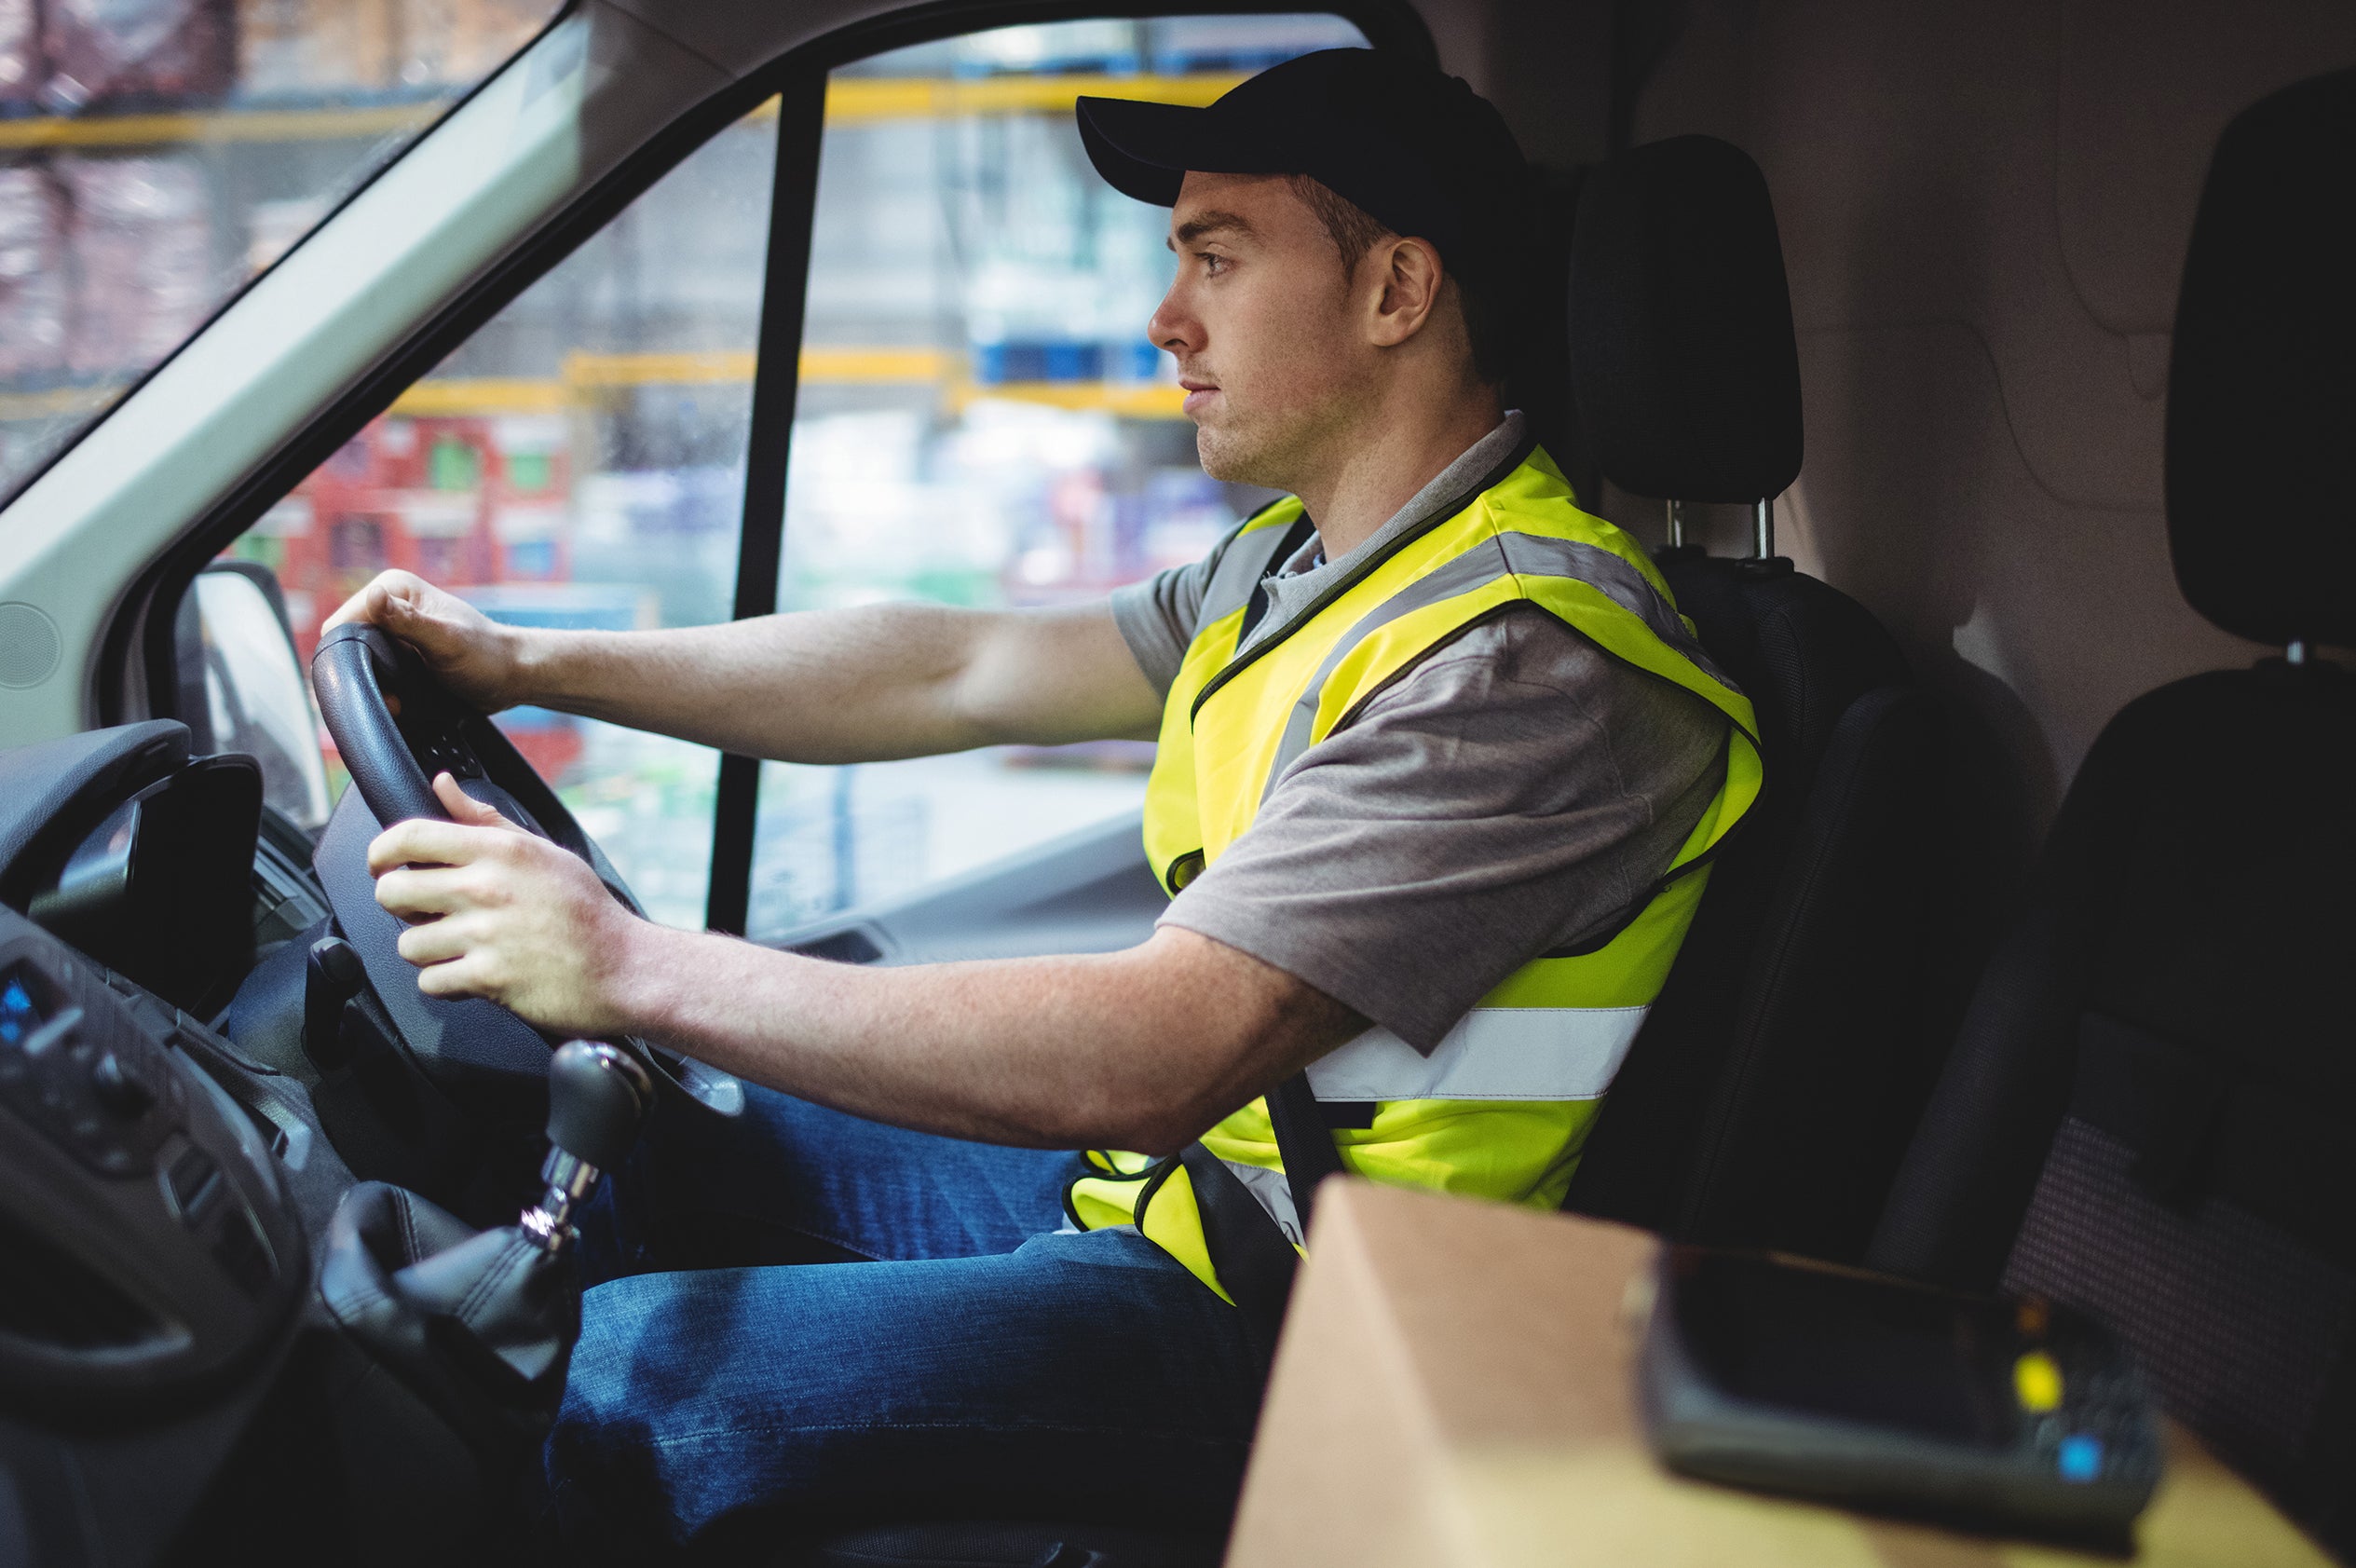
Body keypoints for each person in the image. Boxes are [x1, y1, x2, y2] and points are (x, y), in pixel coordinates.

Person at [327, 48, 1757, 1553]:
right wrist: (532, 660)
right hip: (1195, 1202)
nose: (1165, 319)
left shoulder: (1520, 659)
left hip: (1315, 1319)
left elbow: (1156, 1051)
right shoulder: (1305, 567)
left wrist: (628, 965)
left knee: (617, 1388)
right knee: (659, 1151)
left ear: (1396, 292)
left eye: (1218, 259)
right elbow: (959, 666)